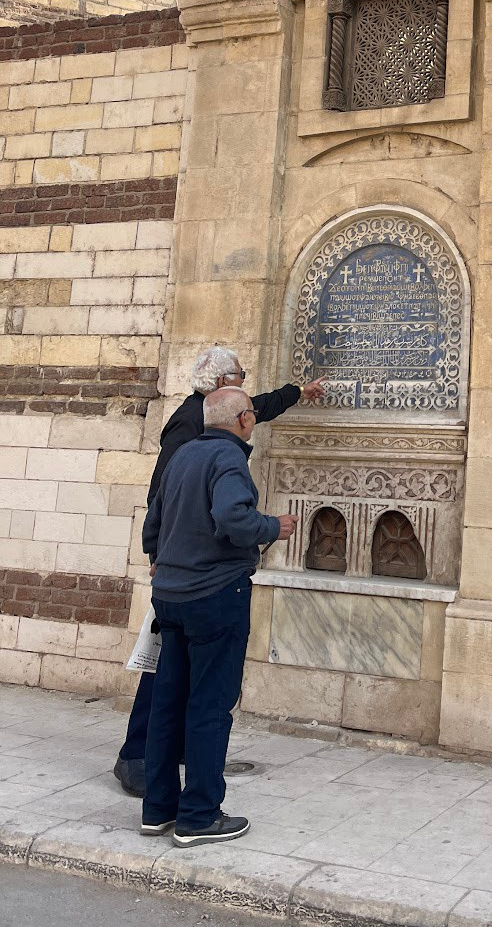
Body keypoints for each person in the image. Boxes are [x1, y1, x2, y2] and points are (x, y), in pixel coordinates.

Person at [114, 346, 323, 796]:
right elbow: (164, 494)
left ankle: (166, 774)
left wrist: (297, 393)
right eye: (241, 377)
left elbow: (257, 408)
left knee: (179, 671)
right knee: (166, 672)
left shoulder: (218, 418)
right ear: (225, 383)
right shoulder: (189, 427)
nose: (246, 390)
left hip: (181, 570)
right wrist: (159, 557)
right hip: (187, 572)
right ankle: (137, 756)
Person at [140, 385, 298, 846]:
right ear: (244, 420)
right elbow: (233, 518)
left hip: (170, 595)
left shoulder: (184, 455)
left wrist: (162, 559)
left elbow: (153, 524)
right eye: (251, 413)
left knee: (169, 703)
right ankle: (199, 816)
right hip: (214, 595)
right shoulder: (229, 459)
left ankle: (158, 810)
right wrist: (274, 526)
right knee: (209, 706)